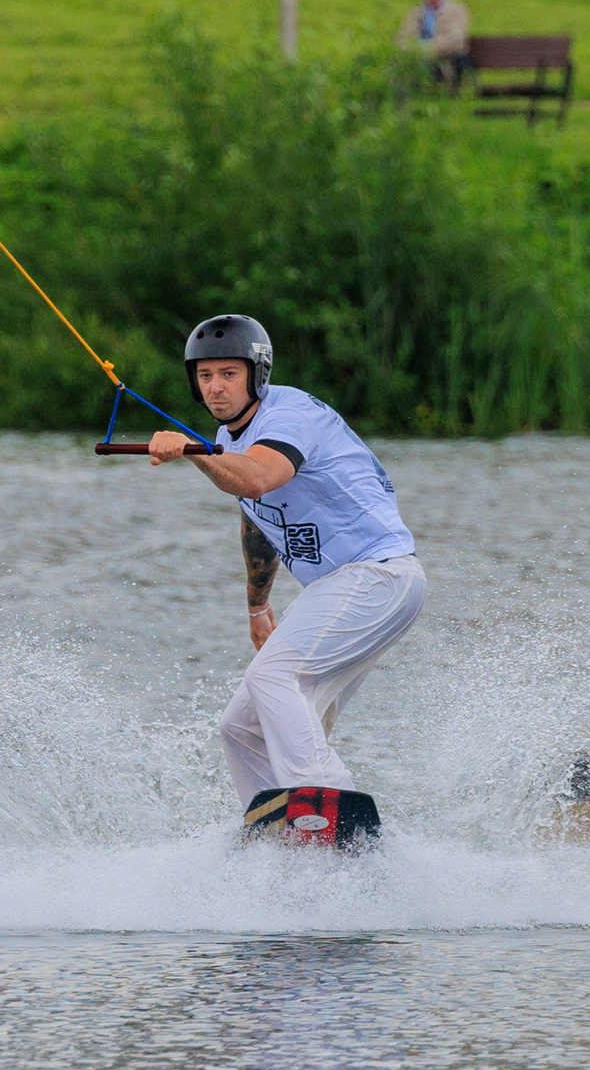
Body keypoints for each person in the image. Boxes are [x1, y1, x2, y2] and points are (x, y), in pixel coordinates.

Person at [146, 316, 426, 812]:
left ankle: (324, 806)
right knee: (241, 726)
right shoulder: (230, 437)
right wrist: (258, 607)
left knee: (273, 678)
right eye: (205, 375)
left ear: (257, 374)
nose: (215, 387)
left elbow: (257, 479)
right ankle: (275, 829)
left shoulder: (289, 415)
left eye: (228, 374)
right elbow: (258, 519)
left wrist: (192, 451)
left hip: (378, 575)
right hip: (338, 589)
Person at [394, 0, 472, 90]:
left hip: (447, 62)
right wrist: (408, 48)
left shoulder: (457, 11)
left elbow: (453, 40)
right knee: (397, 68)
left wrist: (423, 49)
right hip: (418, 61)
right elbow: (403, 37)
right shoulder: (417, 12)